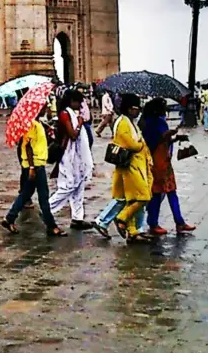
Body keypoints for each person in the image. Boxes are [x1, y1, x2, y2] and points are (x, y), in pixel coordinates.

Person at [1, 111, 66, 238]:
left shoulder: (37, 124)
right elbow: (29, 147)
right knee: (43, 196)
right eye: (43, 107)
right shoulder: (31, 125)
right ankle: (52, 226)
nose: (45, 108)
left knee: (25, 194)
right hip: (35, 165)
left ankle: (10, 218)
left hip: (36, 164)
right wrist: (32, 167)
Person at [141, 98, 195, 236]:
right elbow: (158, 139)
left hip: (163, 160)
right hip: (158, 162)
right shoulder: (154, 123)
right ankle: (154, 222)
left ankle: (178, 221)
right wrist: (170, 134)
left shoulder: (149, 121)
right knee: (159, 193)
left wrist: (174, 137)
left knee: (170, 192)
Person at [103, 94, 153, 242]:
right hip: (130, 166)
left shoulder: (131, 122)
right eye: (136, 109)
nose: (138, 112)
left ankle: (133, 232)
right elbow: (130, 144)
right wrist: (141, 145)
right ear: (130, 109)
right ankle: (121, 218)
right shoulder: (123, 123)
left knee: (132, 200)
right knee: (144, 197)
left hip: (138, 165)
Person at [48, 88, 94, 229]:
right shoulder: (64, 115)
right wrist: (80, 123)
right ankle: (47, 208)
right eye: (78, 102)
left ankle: (77, 218)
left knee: (79, 185)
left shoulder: (72, 114)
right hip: (68, 155)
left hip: (77, 156)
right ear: (71, 101)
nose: (80, 105)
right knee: (68, 185)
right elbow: (73, 135)